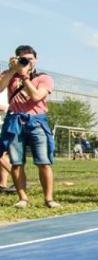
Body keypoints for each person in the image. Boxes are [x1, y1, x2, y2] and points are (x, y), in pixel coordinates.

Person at [0, 45, 60, 208]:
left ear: (36, 60)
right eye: (22, 58)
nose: (27, 61)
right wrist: (13, 70)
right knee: (17, 162)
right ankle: (22, 198)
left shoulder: (44, 78)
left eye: (30, 59)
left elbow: (36, 96)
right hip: (14, 121)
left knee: (43, 162)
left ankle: (49, 199)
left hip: (37, 122)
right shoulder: (10, 75)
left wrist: (25, 76)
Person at [0, 87, 13, 193]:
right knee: (3, 155)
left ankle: (18, 178)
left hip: (2, 125)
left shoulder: (4, 88)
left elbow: (3, 107)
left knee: (2, 155)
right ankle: (3, 185)